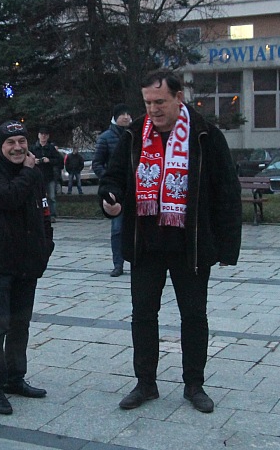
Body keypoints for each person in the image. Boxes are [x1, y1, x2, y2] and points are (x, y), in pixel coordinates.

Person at [99, 70, 242, 414]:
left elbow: (227, 190)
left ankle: (194, 384)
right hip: (146, 244)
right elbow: (114, 177)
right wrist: (110, 196)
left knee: (194, 316)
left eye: (160, 101)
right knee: (143, 315)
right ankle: (145, 383)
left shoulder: (205, 134)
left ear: (179, 97)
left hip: (190, 245)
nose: (153, 109)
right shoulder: (134, 135)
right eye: (148, 102)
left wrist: (227, 246)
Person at [0, 121, 55, 415]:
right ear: (1, 145)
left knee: (20, 325)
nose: (18, 147)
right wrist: (28, 172)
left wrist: (47, 245)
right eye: (11, 143)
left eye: (22, 141)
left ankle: (15, 377)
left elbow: (43, 210)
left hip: (28, 263)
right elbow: (8, 198)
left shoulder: (32, 174)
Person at [92, 104, 132, 277]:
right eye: (121, 114)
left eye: (127, 114)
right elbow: (97, 163)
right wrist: (108, 180)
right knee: (117, 229)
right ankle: (118, 264)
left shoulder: (135, 135)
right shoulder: (105, 138)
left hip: (136, 188)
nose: (125, 117)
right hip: (116, 190)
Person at [31, 126, 63, 221]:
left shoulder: (51, 148)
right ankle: (39, 214)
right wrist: (34, 161)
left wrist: (49, 160)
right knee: (38, 197)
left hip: (49, 176)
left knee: (51, 197)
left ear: (48, 136)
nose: (43, 136)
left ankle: (52, 215)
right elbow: (26, 159)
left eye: (45, 135)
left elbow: (59, 160)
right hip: (37, 176)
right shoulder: (33, 148)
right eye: (42, 134)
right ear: (38, 136)